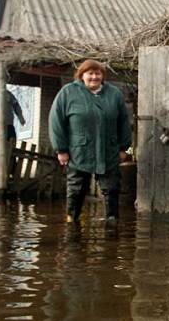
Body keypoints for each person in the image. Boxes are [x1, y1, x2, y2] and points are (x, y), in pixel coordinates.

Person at [49, 59, 132, 226]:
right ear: (81, 75)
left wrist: (124, 147)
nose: (94, 77)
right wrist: (61, 150)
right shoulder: (68, 92)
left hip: (108, 150)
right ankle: (72, 221)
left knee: (112, 189)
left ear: (103, 76)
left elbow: (124, 122)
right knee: (76, 189)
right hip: (79, 150)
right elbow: (56, 122)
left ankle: (112, 221)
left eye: (98, 73)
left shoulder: (113, 93)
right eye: (90, 73)